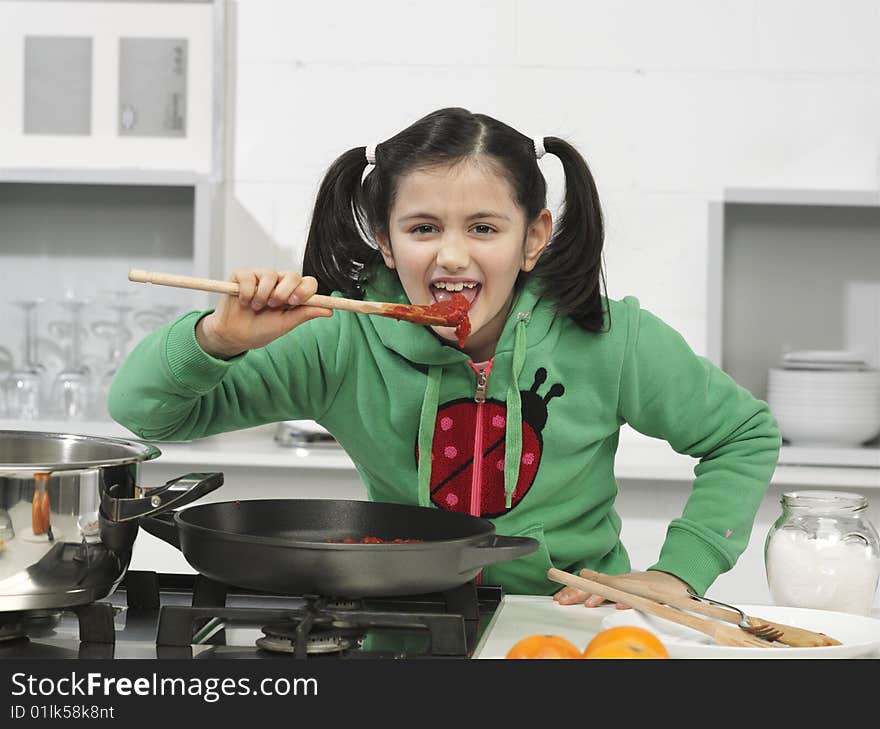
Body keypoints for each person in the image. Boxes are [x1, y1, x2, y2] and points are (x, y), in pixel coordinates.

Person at [109, 107, 781, 603]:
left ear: (533, 238)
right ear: (385, 239)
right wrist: (217, 340)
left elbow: (744, 434)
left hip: (572, 617)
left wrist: (678, 571)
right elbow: (147, 414)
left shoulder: (608, 335)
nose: (452, 255)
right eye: (423, 228)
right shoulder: (339, 340)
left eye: (483, 228)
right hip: (398, 618)